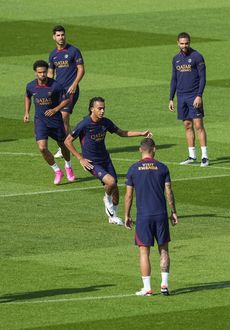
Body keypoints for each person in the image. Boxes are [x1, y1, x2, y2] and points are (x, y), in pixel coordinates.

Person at [64, 97, 152, 225]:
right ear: (92, 109)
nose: (102, 111)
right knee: (110, 183)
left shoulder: (106, 122)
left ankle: (112, 216)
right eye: (99, 108)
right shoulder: (84, 124)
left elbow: (121, 133)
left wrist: (141, 133)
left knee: (115, 190)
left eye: (103, 108)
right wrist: (80, 158)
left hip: (105, 159)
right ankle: (106, 198)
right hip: (92, 162)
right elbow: (67, 141)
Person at [124, 138, 178, 296]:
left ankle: (147, 288)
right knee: (164, 250)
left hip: (143, 216)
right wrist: (173, 211)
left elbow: (128, 195)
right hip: (160, 214)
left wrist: (126, 215)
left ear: (140, 150)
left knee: (144, 252)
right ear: (154, 149)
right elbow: (168, 191)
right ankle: (165, 284)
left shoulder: (133, 169)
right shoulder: (162, 168)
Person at [24, 60, 76, 184]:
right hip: (40, 121)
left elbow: (67, 100)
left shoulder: (56, 85)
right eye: (40, 72)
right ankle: (57, 171)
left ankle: (68, 166)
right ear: (35, 73)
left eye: (44, 72)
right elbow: (27, 96)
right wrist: (26, 112)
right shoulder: (30, 86)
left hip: (55, 121)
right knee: (42, 148)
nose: (42, 74)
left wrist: (55, 109)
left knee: (63, 145)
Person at [168, 32, 209, 166]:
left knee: (198, 125)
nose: (184, 46)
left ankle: (204, 157)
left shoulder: (197, 57)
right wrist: (171, 98)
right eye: (182, 43)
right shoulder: (176, 59)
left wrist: (199, 95)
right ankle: (192, 156)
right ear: (178, 43)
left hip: (193, 95)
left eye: (186, 43)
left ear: (189, 42)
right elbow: (174, 79)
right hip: (181, 96)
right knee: (187, 125)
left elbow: (203, 77)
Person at [48, 25, 85, 158]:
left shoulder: (74, 51)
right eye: (58, 35)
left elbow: (81, 69)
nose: (61, 37)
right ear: (54, 37)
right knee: (61, 120)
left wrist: (75, 84)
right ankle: (65, 145)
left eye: (62, 35)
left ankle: (65, 145)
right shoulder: (53, 55)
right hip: (58, 91)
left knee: (64, 116)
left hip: (71, 90)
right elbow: (51, 72)